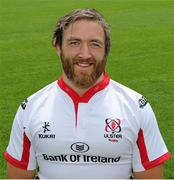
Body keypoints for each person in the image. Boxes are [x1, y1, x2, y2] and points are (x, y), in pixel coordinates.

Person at [4, 8, 171, 179]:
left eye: (95, 44)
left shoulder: (136, 106)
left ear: (106, 49)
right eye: (74, 43)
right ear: (57, 46)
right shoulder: (30, 108)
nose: (85, 54)